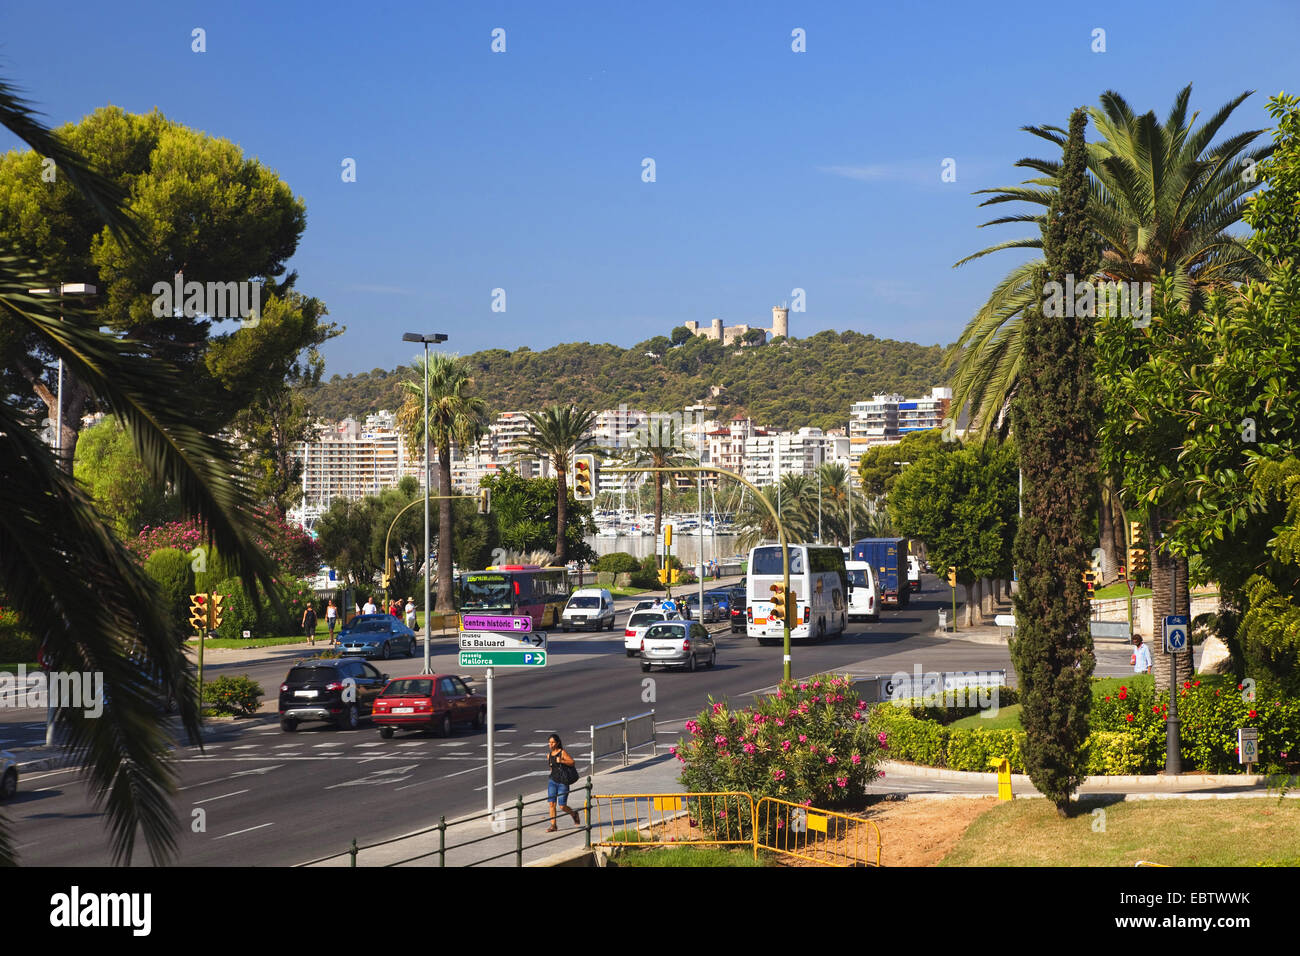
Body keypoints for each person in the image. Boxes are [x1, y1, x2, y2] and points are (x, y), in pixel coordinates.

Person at [545, 734, 582, 832]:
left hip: (563, 782)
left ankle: (573, 814)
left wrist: (561, 760)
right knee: (551, 804)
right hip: (552, 781)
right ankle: (553, 825)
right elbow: (551, 768)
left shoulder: (562, 752)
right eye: (549, 742)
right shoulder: (548, 755)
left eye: (552, 742)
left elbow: (572, 762)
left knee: (562, 806)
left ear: (557, 743)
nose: (551, 744)